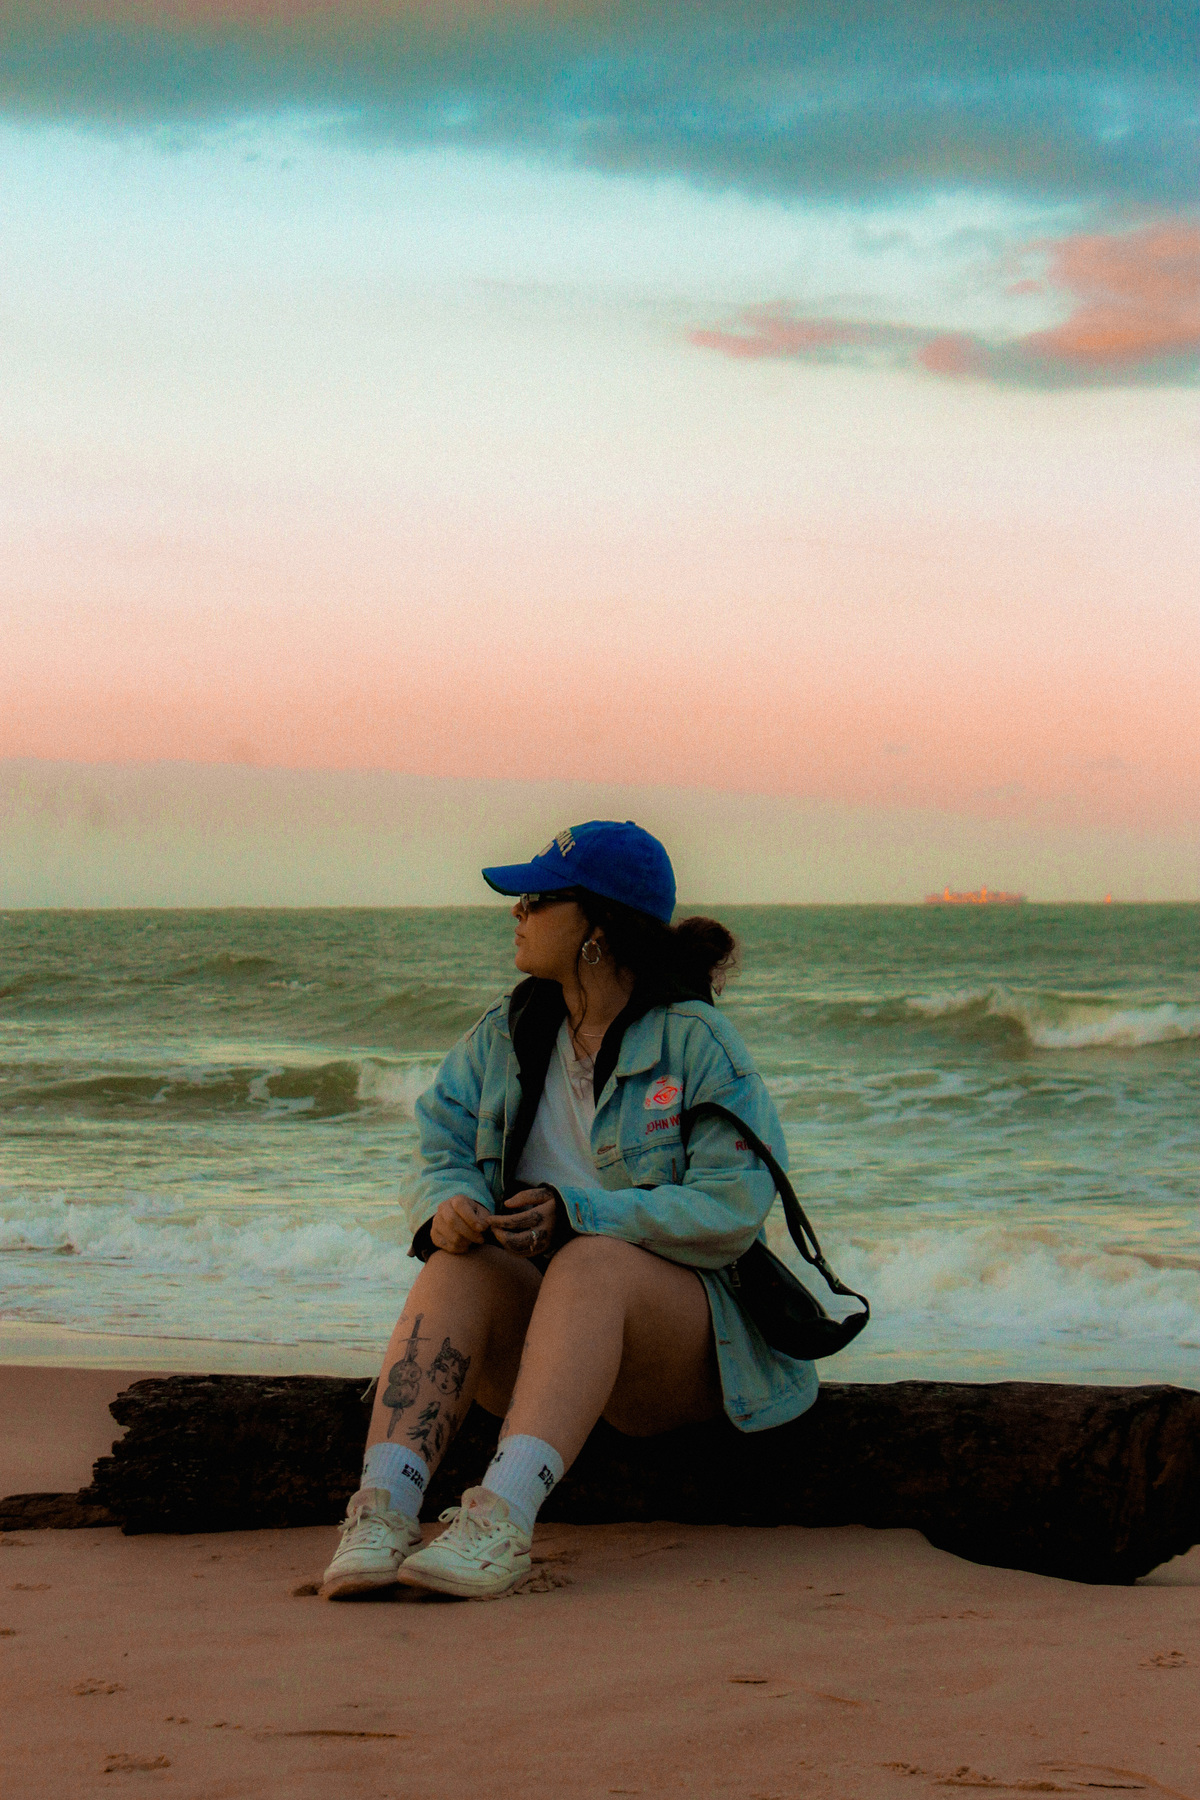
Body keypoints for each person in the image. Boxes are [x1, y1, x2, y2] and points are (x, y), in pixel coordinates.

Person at [321, 819, 818, 1602]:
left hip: (675, 1350)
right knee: (460, 1262)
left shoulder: (697, 1042)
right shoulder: (510, 1030)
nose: (516, 914)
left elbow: (732, 1206)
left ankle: (500, 1525)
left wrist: (578, 1211)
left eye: (536, 900)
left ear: (598, 927)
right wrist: (448, 1205)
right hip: (548, 1343)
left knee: (590, 1260)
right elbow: (439, 1140)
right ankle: (382, 1511)